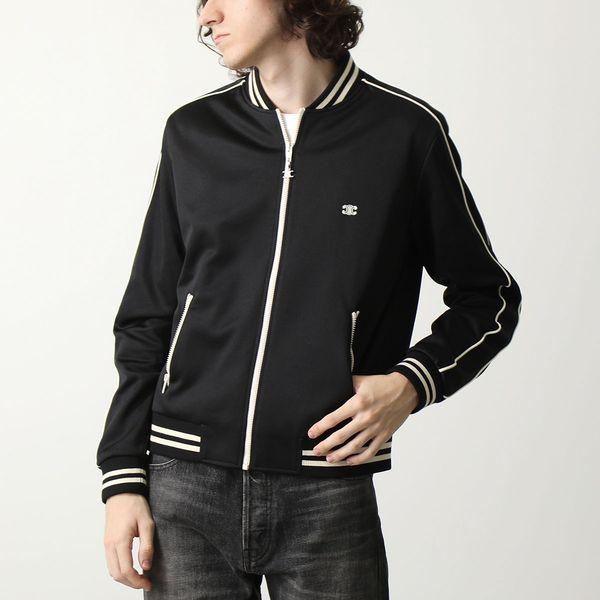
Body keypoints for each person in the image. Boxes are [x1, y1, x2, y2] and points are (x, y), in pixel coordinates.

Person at [97, 1, 523, 598]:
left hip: (327, 485)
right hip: (184, 483)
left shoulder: (405, 133)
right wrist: (122, 477)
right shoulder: (194, 133)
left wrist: (412, 382)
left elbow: (489, 298)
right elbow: (147, 313)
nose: (206, 16)